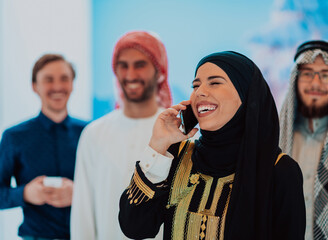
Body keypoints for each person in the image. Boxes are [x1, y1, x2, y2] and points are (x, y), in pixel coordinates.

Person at [119, 51, 306, 240]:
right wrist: (158, 145)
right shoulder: (178, 156)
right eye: (195, 85)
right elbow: (134, 227)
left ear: (246, 95)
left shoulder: (279, 170)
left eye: (215, 82)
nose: (199, 91)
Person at [70, 31, 172, 240]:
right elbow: (83, 211)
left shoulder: (178, 132)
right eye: (123, 65)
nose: (130, 74)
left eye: (140, 64)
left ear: (159, 70)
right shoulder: (94, 133)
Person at [0, 54, 87, 240]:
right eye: (48, 80)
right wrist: (25, 193)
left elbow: (107, 188)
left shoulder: (89, 133)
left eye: (64, 78)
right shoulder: (14, 137)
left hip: (84, 235)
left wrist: (78, 194)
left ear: (72, 84)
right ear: (35, 86)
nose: (57, 87)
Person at [279, 40, 328, 240]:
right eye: (307, 73)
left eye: (326, 75)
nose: (316, 83)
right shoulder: (271, 139)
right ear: (295, 79)